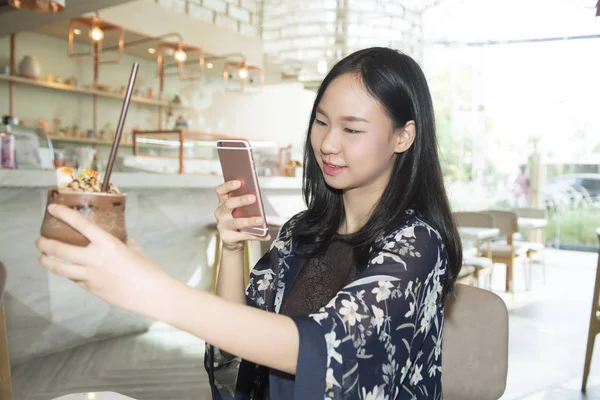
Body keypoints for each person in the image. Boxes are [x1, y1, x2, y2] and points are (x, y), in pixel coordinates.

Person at [35, 47, 462, 399]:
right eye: (321, 121)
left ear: (403, 136)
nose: (328, 144)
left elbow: (324, 347)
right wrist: (233, 248)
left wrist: (148, 289)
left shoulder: (418, 245)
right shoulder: (302, 231)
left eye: (352, 129)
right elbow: (234, 343)